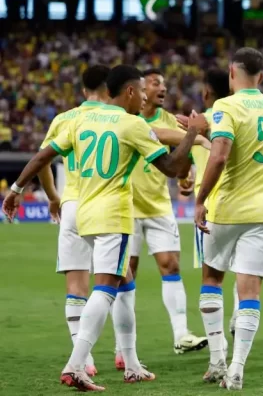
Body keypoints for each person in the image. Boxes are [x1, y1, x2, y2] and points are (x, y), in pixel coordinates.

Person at [2, 65, 207, 391]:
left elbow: (43, 157)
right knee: (107, 288)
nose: (143, 98)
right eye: (141, 91)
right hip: (113, 216)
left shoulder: (80, 119)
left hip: (81, 212)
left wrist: (15, 189)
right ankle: (76, 364)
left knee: (121, 285)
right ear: (128, 92)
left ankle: (132, 364)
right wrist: (195, 134)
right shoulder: (132, 124)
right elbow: (170, 167)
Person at [194, 48, 263, 390]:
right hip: (262, 212)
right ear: (260, 76)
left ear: (232, 72)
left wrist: (200, 199)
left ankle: (217, 359)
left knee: (212, 278)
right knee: (250, 293)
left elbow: (218, 157)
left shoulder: (225, 107)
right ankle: (237, 368)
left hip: (227, 209)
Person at [115, 68, 206, 363]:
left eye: (164, 84)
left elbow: (183, 160)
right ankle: (122, 348)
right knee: (125, 273)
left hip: (156, 204)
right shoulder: (126, 119)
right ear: (140, 88)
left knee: (171, 265)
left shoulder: (171, 121)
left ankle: (181, 334)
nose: (162, 88)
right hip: (125, 204)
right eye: (155, 84)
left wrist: (184, 177)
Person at [38, 64, 111, 378]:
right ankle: (127, 355)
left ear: (83, 91)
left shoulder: (65, 119)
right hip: (107, 206)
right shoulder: (118, 119)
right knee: (114, 281)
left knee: (76, 286)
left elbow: (43, 160)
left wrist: (54, 195)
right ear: (110, 88)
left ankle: (85, 360)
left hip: (72, 205)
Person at [176, 68, 241, 336]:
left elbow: (186, 160)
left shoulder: (200, 121)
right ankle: (240, 313)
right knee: (245, 269)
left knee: (212, 277)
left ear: (206, 92)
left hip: (211, 205)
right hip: (247, 201)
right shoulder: (242, 115)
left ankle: (217, 347)